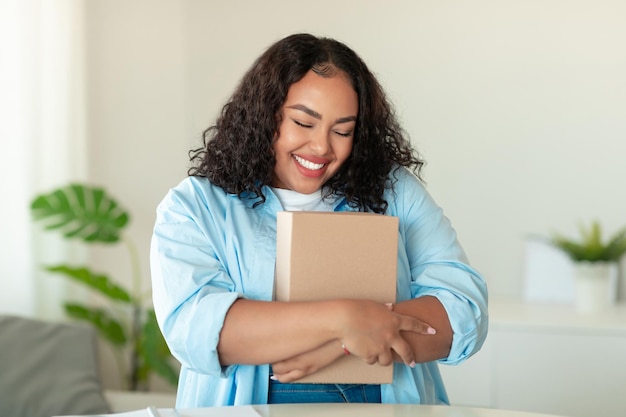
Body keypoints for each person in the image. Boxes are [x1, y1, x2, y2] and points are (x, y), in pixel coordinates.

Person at [150, 33, 488, 407]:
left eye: (342, 130)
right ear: (266, 115)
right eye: (303, 123)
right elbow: (199, 331)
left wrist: (342, 345)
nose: (323, 147)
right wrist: (344, 318)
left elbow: (463, 312)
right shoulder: (195, 206)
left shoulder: (395, 191)